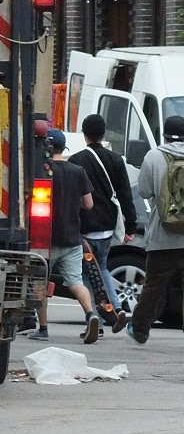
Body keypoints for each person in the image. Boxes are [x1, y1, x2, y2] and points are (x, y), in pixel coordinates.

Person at [28, 129, 100, 344]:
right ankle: (91, 315)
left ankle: (42, 328)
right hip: (72, 237)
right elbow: (89, 204)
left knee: (40, 283)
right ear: (63, 147)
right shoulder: (78, 171)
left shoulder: (41, 171)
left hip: (44, 240)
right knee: (75, 282)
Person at [68, 114, 137, 333]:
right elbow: (126, 194)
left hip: (84, 226)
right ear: (103, 133)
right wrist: (131, 225)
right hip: (107, 225)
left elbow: (72, 197)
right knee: (103, 267)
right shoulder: (116, 160)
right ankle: (117, 307)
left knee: (87, 272)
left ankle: (94, 319)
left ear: (84, 134)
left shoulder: (76, 161)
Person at [127, 115, 184, 345]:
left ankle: (140, 330)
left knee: (154, 285)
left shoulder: (154, 155)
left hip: (162, 237)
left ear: (165, 134)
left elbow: (143, 191)